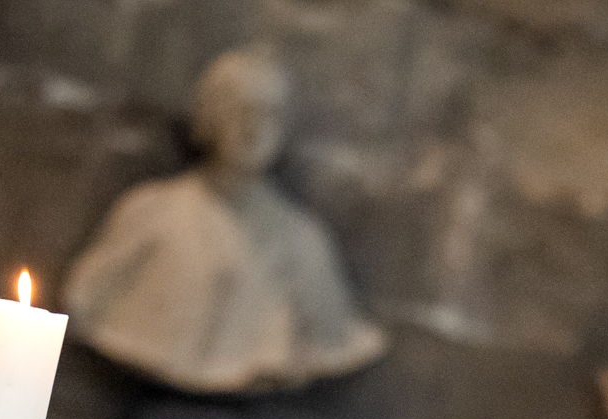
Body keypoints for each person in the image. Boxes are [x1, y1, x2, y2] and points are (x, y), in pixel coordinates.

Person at [62, 45, 386, 393]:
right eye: (239, 110)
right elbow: (86, 298)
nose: (252, 127)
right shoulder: (150, 212)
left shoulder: (303, 241)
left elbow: (333, 340)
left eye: (268, 114)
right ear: (207, 119)